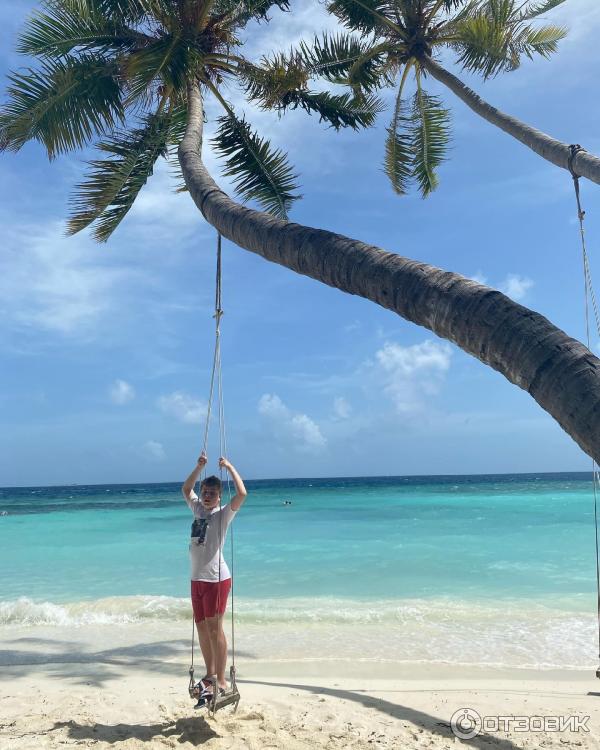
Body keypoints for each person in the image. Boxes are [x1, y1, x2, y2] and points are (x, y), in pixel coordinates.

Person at [181, 451, 247, 704]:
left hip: (217, 579)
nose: (207, 496)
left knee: (214, 628)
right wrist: (199, 467)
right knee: (201, 628)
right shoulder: (197, 508)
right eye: (205, 492)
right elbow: (186, 489)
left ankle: (221, 679)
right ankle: (209, 676)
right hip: (196, 579)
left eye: (212, 493)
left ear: (219, 497)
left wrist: (229, 467)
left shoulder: (222, 515)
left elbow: (242, 494)